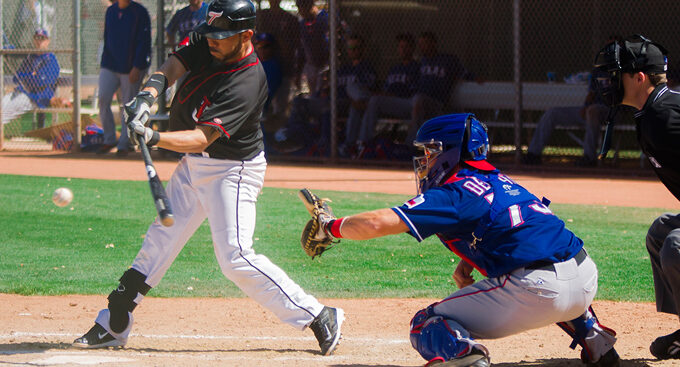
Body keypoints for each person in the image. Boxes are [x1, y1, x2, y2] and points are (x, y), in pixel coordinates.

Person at [72, 0, 344, 356]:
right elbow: (174, 65)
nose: (212, 40)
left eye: (222, 36)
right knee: (161, 238)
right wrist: (147, 97)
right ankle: (115, 321)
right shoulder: (214, 35)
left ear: (246, 36)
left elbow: (202, 137)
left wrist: (151, 136)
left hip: (231, 170)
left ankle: (319, 314)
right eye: (210, 33)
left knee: (235, 257)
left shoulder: (248, 80)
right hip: (195, 162)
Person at [301, 113, 620, 366]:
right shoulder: (498, 178)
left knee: (425, 323)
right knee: (559, 278)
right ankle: (596, 339)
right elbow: (516, 227)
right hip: (585, 279)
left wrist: (329, 227)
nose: (424, 160)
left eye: (430, 151)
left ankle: (466, 357)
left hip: (537, 290)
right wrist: (467, 263)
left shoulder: (454, 192)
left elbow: (375, 223)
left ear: (450, 152)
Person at [593, 34, 680, 361]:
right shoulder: (654, 110)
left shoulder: (665, 116)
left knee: (676, 245)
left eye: (615, 74)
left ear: (639, 77)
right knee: (661, 232)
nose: (607, 81)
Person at [359, 32, 475, 146]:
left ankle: (409, 145)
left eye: (425, 43)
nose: (423, 47)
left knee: (418, 99)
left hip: (434, 104)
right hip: (413, 103)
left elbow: (465, 74)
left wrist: (471, 79)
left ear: (434, 43)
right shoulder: (421, 64)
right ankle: (364, 143)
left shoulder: (446, 60)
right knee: (375, 100)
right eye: (421, 44)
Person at [97, 0, 151, 156]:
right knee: (103, 98)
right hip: (110, 64)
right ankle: (109, 139)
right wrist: (104, 61)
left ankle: (124, 144)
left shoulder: (139, 12)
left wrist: (138, 66)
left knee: (128, 106)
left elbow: (144, 42)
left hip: (131, 68)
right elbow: (107, 37)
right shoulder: (111, 11)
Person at [356, 33, 420, 151]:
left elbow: (412, 94)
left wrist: (391, 95)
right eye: (400, 47)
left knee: (375, 101)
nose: (403, 50)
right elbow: (386, 89)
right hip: (390, 102)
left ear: (412, 49)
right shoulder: (394, 68)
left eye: (406, 47)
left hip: (406, 103)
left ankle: (364, 142)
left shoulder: (416, 67)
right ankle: (363, 143)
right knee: (369, 100)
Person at [2, 28, 60, 128]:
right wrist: (31, 75)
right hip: (21, 92)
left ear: (47, 41)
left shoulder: (51, 60)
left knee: (4, 114)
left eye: (42, 38)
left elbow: (40, 82)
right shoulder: (31, 57)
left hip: (36, 97)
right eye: (37, 38)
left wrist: (27, 77)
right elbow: (16, 78)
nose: (39, 41)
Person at [256, 0, 300, 119]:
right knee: (263, 100)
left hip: (284, 65)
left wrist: (298, 73)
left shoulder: (289, 18)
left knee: (281, 103)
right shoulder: (262, 15)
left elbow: (296, 45)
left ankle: (280, 130)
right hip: (266, 66)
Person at [337, 34, 377, 157]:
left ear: (362, 49)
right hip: (340, 102)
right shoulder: (343, 69)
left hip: (357, 103)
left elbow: (367, 90)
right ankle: (323, 145)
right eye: (350, 48)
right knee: (324, 107)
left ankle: (350, 146)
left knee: (355, 104)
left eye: (356, 48)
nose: (352, 51)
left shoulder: (366, 67)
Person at [295, 0, 329, 95]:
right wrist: (298, 73)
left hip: (326, 63)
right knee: (314, 94)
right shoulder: (302, 24)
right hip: (312, 64)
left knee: (324, 91)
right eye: (299, 8)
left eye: (304, 8)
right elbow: (301, 49)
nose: (302, 12)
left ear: (310, 6)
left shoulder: (323, 18)